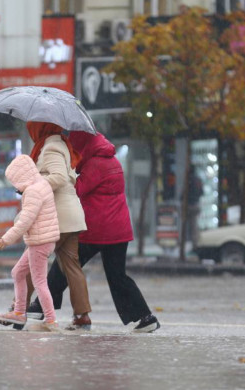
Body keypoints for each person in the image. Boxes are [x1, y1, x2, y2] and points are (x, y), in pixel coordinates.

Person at [27, 132, 160, 333]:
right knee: (117, 276)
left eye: (75, 148)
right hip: (118, 230)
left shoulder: (96, 165)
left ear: (83, 146)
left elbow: (77, 190)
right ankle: (145, 317)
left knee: (65, 263)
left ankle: (39, 308)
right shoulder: (111, 161)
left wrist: (63, 175)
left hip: (98, 229)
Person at [21, 121, 92, 330]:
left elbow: (59, 177)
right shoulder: (62, 145)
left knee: (32, 261)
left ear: (41, 128)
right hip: (72, 216)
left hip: (57, 217)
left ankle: (19, 308)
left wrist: (34, 186)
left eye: (33, 127)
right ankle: (82, 315)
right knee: (72, 266)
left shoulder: (51, 147)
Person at [0, 155, 60, 332]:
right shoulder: (42, 184)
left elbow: (25, 221)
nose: (15, 186)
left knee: (39, 282)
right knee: (17, 273)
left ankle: (51, 320)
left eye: (14, 181)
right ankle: (19, 313)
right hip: (43, 240)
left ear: (20, 177)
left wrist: (6, 238)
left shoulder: (32, 191)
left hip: (39, 242)